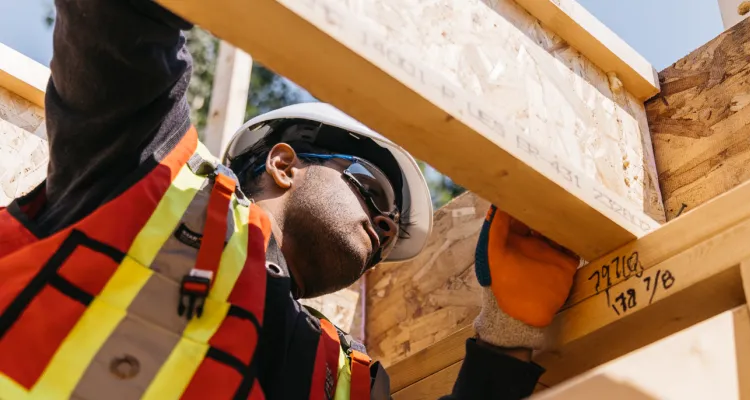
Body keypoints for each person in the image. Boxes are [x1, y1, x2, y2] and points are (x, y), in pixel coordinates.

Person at [0, 0, 580, 399]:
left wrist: (506, 336)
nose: (384, 223)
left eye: (391, 228)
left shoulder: (350, 378)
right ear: (283, 164)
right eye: (373, 192)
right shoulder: (145, 177)